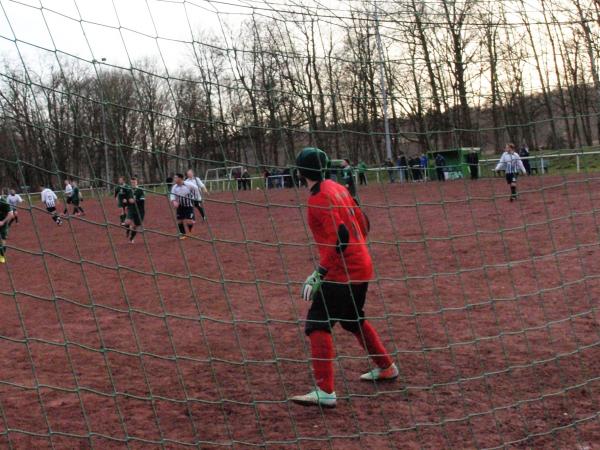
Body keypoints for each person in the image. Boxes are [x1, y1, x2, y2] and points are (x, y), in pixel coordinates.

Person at [291, 147, 398, 408]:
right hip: (362, 264)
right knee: (353, 320)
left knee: (317, 323)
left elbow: (339, 237)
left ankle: (325, 391)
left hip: (343, 271)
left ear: (301, 172)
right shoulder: (339, 187)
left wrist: (320, 272)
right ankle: (386, 366)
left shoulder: (317, 198)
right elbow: (363, 224)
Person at [170, 173, 200, 239]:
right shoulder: (174, 187)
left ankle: (190, 231)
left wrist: (196, 198)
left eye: (176, 178)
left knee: (189, 221)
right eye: (174, 178)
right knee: (179, 221)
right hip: (180, 206)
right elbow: (172, 195)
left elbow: (196, 189)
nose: (174, 179)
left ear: (180, 178)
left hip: (188, 205)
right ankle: (183, 234)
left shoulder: (188, 185)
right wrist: (174, 201)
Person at [124, 176, 145, 244]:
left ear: (137, 182)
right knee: (127, 222)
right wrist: (126, 201)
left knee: (135, 226)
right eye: (131, 182)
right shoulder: (129, 190)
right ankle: (127, 230)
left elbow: (142, 200)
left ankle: (131, 239)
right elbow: (128, 199)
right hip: (131, 209)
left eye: (134, 182)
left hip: (139, 210)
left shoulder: (140, 190)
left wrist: (135, 201)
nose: (133, 184)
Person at [0, 196, 15, 263]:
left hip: (3, 224)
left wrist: (3, 222)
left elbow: (11, 214)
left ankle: (2, 256)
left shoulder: (4, 202)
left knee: (3, 240)